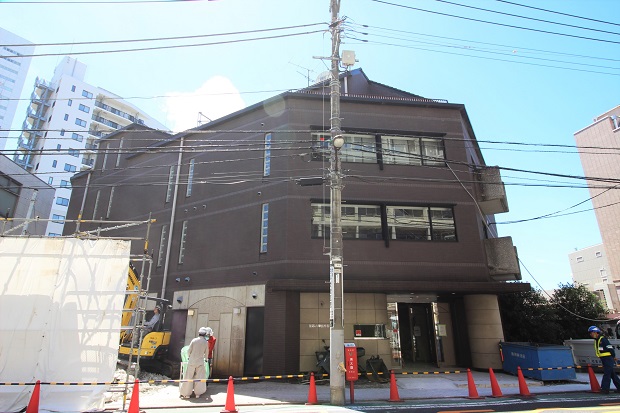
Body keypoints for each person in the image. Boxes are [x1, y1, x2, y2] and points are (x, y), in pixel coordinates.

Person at [180, 327, 210, 399]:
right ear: (205, 334)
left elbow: (189, 351)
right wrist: (206, 359)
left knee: (188, 377)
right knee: (199, 378)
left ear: (199, 333)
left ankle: (187, 394)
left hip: (192, 361)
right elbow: (206, 353)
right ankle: (198, 394)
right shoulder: (205, 342)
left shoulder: (194, 340)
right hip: (200, 362)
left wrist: (189, 357)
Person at [589, 325, 620, 394]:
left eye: (592, 332)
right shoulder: (597, 340)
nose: (591, 334)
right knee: (612, 374)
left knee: (607, 374)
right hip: (604, 359)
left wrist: (613, 356)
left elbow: (610, 348)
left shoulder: (603, 340)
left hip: (608, 358)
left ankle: (605, 389)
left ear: (596, 332)